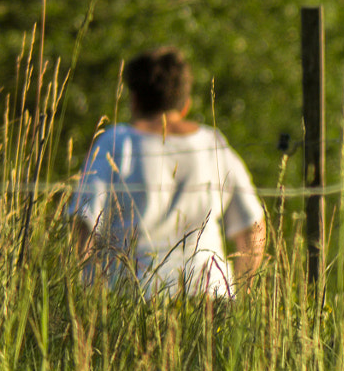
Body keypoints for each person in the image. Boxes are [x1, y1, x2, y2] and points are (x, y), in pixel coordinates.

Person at [67, 46, 266, 298]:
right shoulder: (212, 143)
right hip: (209, 294)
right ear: (186, 103)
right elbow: (253, 225)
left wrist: (93, 293)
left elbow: (83, 223)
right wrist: (238, 290)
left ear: (134, 99)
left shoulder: (116, 142)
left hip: (135, 296)